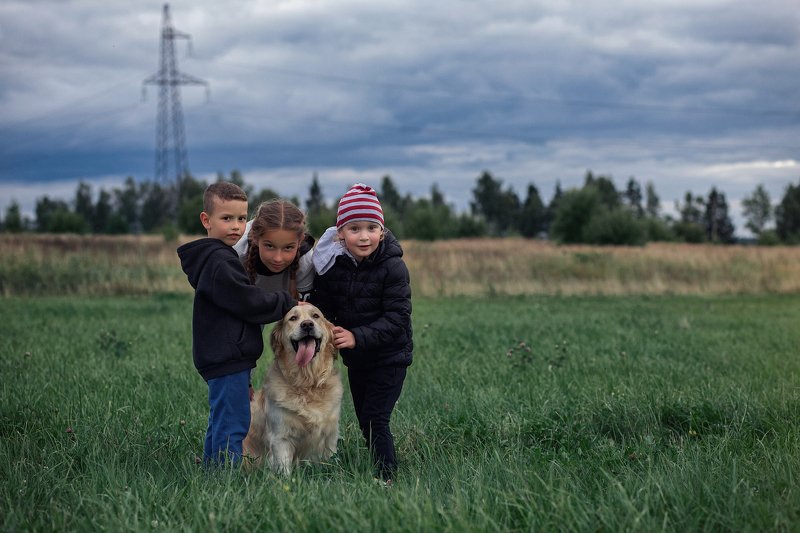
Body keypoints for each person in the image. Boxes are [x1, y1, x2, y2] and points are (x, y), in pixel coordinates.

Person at [177, 182, 298, 466]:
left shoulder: (221, 258)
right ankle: (224, 482)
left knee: (223, 420)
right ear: (206, 220)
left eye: (242, 219)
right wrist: (287, 302)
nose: (235, 226)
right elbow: (248, 302)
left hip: (228, 356)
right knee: (233, 424)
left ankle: (212, 474)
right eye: (226, 218)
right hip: (225, 356)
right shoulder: (219, 262)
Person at [310, 183, 413, 484]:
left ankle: (388, 478)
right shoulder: (335, 266)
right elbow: (324, 304)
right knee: (365, 420)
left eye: (371, 227)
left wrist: (356, 336)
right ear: (340, 233)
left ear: (382, 231)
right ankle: (377, 465)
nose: (364, 236)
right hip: (358, 360)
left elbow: (397, 318)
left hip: (390, 356)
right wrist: (311, 311)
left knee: (376, 418)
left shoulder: (393, 268)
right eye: (354, 228)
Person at [232, 198, 316, 399]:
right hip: (245, 306)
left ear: (300, 240)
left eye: (288, 248)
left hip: (287, 302)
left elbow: (305, 321)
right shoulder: (236, 252)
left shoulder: (306, 261)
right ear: (255, 237)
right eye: (269, 246)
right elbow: (235, 333)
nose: (278, 258)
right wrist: (244, 383)